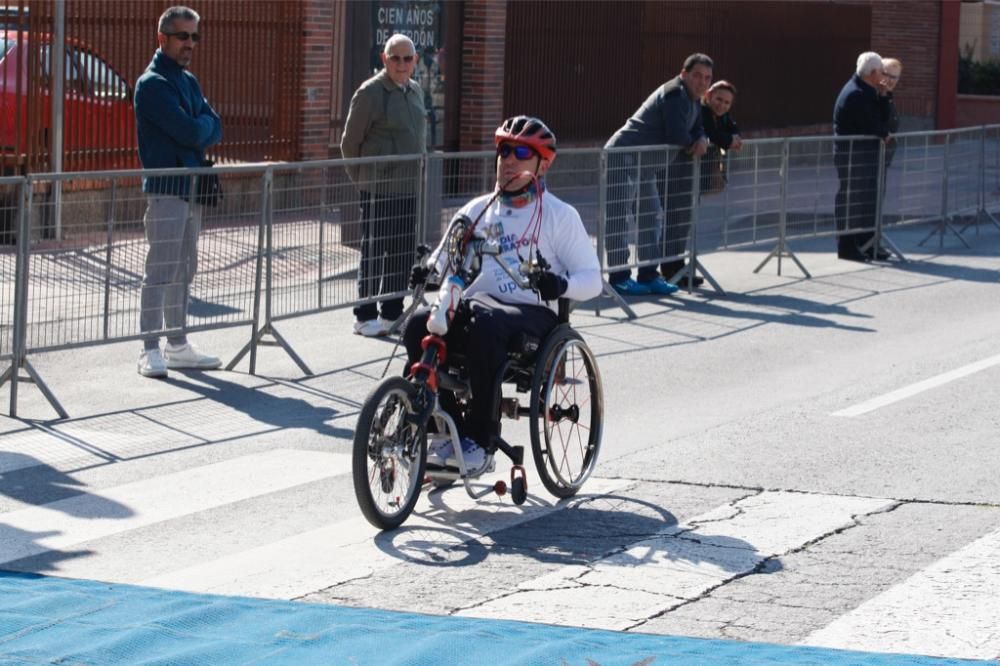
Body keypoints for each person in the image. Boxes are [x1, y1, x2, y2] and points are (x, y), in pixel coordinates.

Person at [405, 116, 602, 471]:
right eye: (504, 150)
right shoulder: (476, 211)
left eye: (522, 152)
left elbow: (593, 279)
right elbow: (442, 261)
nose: (509, 159)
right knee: (417, 326)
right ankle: (449, 430)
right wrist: (426, 272)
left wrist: (561, 285)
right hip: (476, 306)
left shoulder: (560, 215)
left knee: (488, 325)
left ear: (542, 164)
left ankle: (480, 442)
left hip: (531, 315)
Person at [134, 5, 223, 378]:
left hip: (191, 188)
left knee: (186, 268)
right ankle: (149, 348)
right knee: (161, 268)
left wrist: (199, 128)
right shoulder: (152, 83)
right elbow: (191, 132)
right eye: (182, 36)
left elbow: (214, 126)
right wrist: (199, 129)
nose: (190, 43)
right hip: (167, 188)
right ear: (162, 38)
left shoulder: (189, 80)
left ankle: (178, 343)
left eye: (194, 36)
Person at [605, 53, 713, 295]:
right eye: (697, 76)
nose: (702, 82)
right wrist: (695, 142)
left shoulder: (694, 99)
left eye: (707, 78)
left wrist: (701, 138)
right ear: (684, 74)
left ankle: (648, 275)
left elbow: (696, 128)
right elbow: (677, 134)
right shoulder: (675, 93)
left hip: (645, 165)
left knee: (650, 216)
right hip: (625, 156)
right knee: (618, 218)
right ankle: (619, 277)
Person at [341, 34, 427, 337]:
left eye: (407, 58)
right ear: (384, 59)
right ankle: (365, 315)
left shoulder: (415, 90)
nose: (401, 64)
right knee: (375, 251)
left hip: (409, 187)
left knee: (403, 252)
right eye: (395, 58)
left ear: (415, 60)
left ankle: (392, 312)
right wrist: (364, 180)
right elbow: (349, 144)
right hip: (378, 188)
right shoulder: (370, 93)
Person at [833, 51, 890, 262]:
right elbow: (873, 124)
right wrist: (884, 133)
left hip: (864, 155)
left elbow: (882, 118)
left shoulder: (867, 89)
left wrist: (884, 96)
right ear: (873, 72)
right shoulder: (856, 93)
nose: (883, 76)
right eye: (881, 72)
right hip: (852, 155)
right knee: (852, 201)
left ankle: (867, 243)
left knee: (866, 200)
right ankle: (847, 246)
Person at [700, 80, 743, 197]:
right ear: (708, 95)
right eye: (719, 99)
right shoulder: (701, 110)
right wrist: (729, 140)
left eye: (727, 103)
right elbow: (710, 133)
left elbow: (733, 127)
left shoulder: (723, 114)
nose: (722, 105)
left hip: (706, 166)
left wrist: (736, 138)